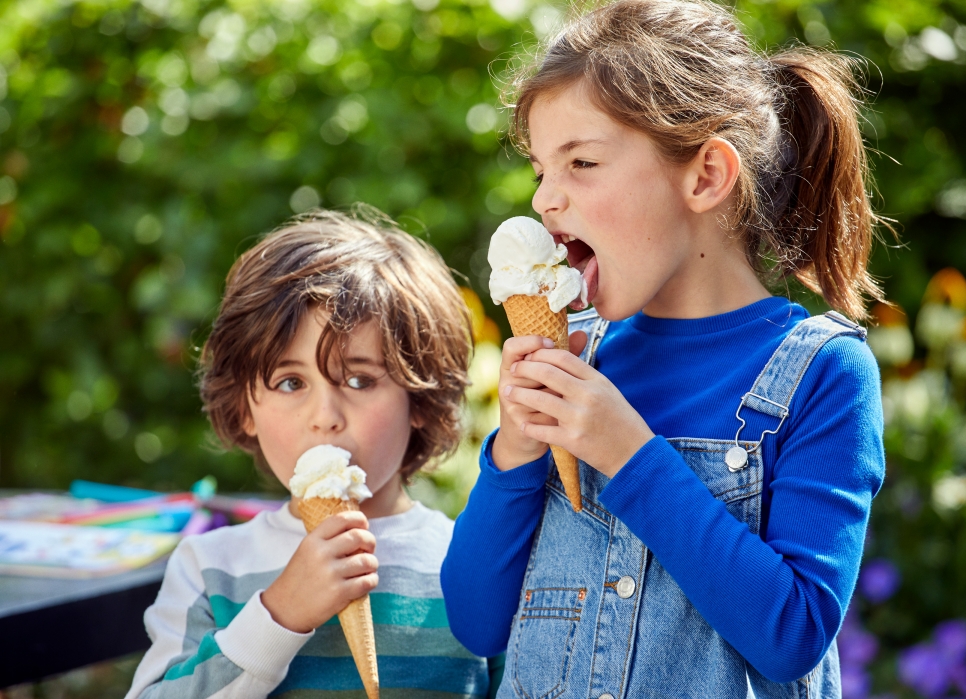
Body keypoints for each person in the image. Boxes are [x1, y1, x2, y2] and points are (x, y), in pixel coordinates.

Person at [440, 0, 886, 696]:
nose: (545, 202)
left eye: (581, 162)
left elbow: (792, 633)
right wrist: (514, 454)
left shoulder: (824, 373)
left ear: (705, 176)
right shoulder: (582, 356)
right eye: (539, 171)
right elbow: (476, 623)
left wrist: (629, 454)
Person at [127, 208, 498, 698]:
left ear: (421, 402)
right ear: (245, 409)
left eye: (360, 379)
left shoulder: (470, 564)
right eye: (290, 382)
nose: (324, 414)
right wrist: (279, 615)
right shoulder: (210, 569)